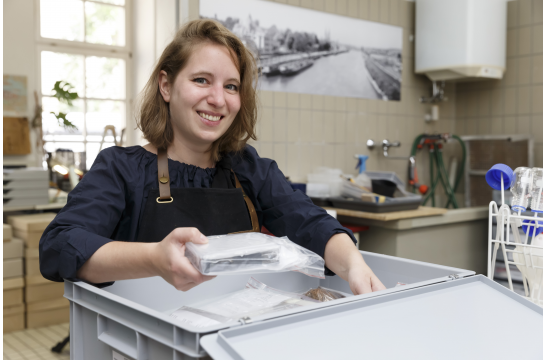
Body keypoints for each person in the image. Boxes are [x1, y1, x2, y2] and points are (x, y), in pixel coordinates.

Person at [39, 19, 386, 295]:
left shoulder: (248, 168)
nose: (218, 99)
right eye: (202, 80)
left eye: (231, 86)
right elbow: (60, 245)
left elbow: (309, 221)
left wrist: (353, 264)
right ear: (166, 86)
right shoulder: (121, 169)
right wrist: (154, 259)